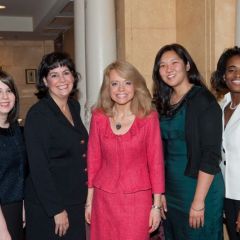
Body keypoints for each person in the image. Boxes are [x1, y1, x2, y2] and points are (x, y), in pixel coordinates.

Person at [85, 60, 165, 240]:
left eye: (127, 82)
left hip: (136, 203)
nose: (121, 89)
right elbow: (93, 159)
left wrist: (156, 206)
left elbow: (156, 163)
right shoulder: (99, 117)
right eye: (115, 83)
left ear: (135, 86)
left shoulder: (148, 118)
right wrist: (89, 202)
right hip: (103, 200)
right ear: (108, 88)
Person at [152, 43, 224, 240]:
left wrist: (199, 202)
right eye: (162, 65)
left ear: (187, 65)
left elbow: (211, 155)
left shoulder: (203, 101)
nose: (169, 69)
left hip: (199, 189)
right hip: (172, 190)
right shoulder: (163, 102)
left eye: (174, 62)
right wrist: (160, 192)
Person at [24, 52, 88, 240]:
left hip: (75, 201)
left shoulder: (74, 106)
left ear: (73, 77)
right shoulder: (38, 115)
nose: (62, 79)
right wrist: (56, 209)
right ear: (45, 81)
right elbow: (39, 168)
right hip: (51, 207)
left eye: (66, 72)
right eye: (54, 75)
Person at [211, 46, 240, 240]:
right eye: (231, 69)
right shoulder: (221, 106)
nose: (237, 74)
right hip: (225, 195)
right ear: (224, 76)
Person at [0, 70, 25, 240]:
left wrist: (23, 204)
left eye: (8, 91)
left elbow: (20, 171)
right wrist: (2, 229)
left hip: (15, 208)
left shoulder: (15, 129)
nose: (5, 96)